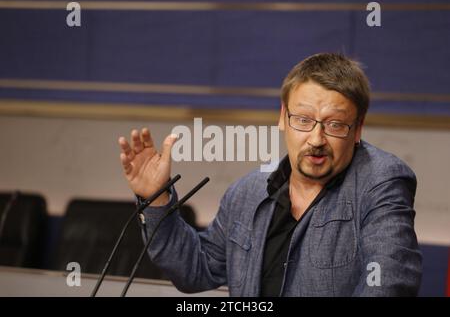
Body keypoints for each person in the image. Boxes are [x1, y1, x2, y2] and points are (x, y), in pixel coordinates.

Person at [118, 53, 422, 296]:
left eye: (335, 125)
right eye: (303, 120)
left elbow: (389, 281)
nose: (316, 139)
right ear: (282, 118)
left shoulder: (380, 180)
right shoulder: (247, 192)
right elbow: (197, 270)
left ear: (358, 129)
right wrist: (156, 198)